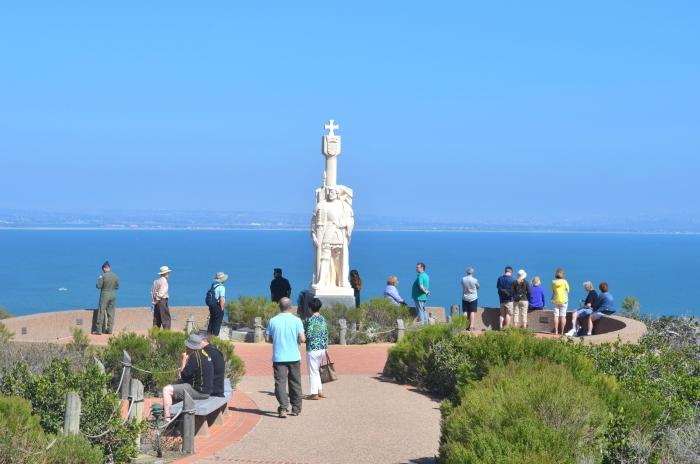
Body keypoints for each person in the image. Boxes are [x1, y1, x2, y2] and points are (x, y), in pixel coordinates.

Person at [265, 297, 306, 418]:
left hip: (279, 357)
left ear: (280, 306)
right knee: (295, 382)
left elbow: (267, 339)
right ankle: (296, 408)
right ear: (290, 306)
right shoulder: (297, 320)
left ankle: (283, 407)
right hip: (294, 355)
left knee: (280, 383)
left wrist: (276, 340)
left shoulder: (273, 321)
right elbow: (303, 339)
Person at [162, 333, 213, 420]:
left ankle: (167, 420)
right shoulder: (204, 354)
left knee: (166, 390)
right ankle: (176, 417)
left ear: (191, 347)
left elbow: (183, 377)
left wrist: (183, 360)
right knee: (174, 388)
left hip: (199, 391)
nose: (186, 348)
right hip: (206, 389)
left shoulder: (194, 357)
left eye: (187, 346)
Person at [180, 330, 226, 397]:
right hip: (217, 388)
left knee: (176, 387)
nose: (195, 344)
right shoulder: (213, 350)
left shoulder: (205, 352)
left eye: (198, 342)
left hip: (211, 390)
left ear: (204, 340)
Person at [304, 298, 328, 400]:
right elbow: (326, 333)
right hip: (322, 348)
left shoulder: (310, 320)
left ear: (310, 308)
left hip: (313, 348)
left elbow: (308, 334)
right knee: (317, 369)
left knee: (312, 371)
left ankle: (314, 393)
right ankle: (320, 390)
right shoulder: (323, 319)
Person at [94, 261, 120, 335]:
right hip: (113, 294)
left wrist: (99, 279)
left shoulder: (103, 276)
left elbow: (98, 286)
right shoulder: (116, 276)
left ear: (104, 268)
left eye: (103, 269)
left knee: (101, 311)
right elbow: (117, 287)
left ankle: (99, 330)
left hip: (105, 294)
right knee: (111, 313)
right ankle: (109, 330)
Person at [151, 266, 172, 330]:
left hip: (156, 302)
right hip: (162, 301)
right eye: (168, 273)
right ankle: (166, 337)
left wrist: (154, 300)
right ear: (165, 273)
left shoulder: (156, 281)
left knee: (157, 320)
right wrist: (157, 300)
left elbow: (152, 291)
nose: (168, 274)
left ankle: (155, 337)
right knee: (166, 320)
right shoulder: (164, 281)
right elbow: (162, 292)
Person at [207, 272, 227, 336]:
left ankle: (208, 336)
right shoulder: (222, 287)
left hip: (212, 306)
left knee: (212, 321)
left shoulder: (213, 285)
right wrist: (222, 309)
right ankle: (214, 338)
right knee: (217, 323)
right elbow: (221, 299)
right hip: (218, 306)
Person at [551, 268, 570, 335]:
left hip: (555, 300)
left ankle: (556, 331)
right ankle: (562, 331)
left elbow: (552, 290)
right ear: (563, 275)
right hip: (564, 300)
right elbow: (568, 290)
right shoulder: (565, 282)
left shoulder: (553, 282)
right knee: (563, 316)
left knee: (556, 316)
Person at [461, 267, 479, 331]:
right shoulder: (475, 280)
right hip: (473, 298)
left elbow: (462, 285)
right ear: (472, 272)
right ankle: (471, 326)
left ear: (467, 272)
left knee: (465, 312)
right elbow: (478, 286)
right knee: (472, 312)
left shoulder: (463, 279)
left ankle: (464, 325)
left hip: (465, 297)